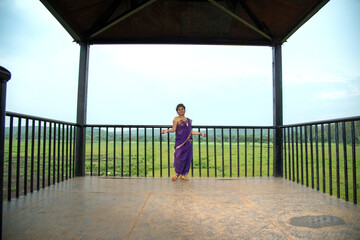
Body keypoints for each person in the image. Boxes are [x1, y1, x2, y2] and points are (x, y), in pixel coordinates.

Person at [161, 103, 206, 181]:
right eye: (179, 109)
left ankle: (184, 175)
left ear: (184, 110)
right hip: (180, 141)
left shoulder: (189, 120)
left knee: (188, 157)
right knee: (178, 156)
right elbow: (173, 129)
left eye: (182, 109)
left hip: (188, 141)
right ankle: (177, 173)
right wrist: (167, 130)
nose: (181, 110)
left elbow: (190, 131)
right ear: (177, 111)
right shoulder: (176, 119)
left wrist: (200, 133)